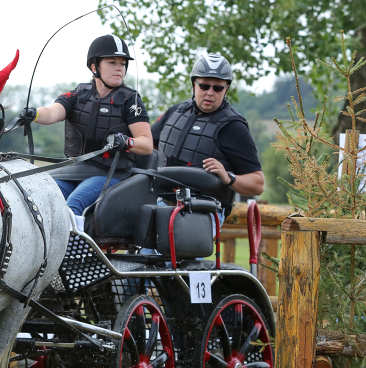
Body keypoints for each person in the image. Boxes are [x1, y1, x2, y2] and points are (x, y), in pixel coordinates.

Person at [16, 34, 154, 232]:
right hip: (77, 169)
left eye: (123, 64)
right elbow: (53, 113)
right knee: (39, 192)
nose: (119, 68)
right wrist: (34, 113)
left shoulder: (130, 101)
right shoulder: (78, 94)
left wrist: (127, 142)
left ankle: (74, 254)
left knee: (76, 201)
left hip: (114, 173)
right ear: (94, 66)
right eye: (112, 62)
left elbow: (147, 144)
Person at [152, 52, 264, 220]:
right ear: (194, 85)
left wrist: (229, 178)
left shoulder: (233, 127)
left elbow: (258, 183)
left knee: (172, 242)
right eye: (204, 86)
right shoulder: (175, 112)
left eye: (218, 87)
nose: (210, 93)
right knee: (139, 245)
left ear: (226, 89)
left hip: (204, 208)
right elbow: (148, 145)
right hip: (161, 201)